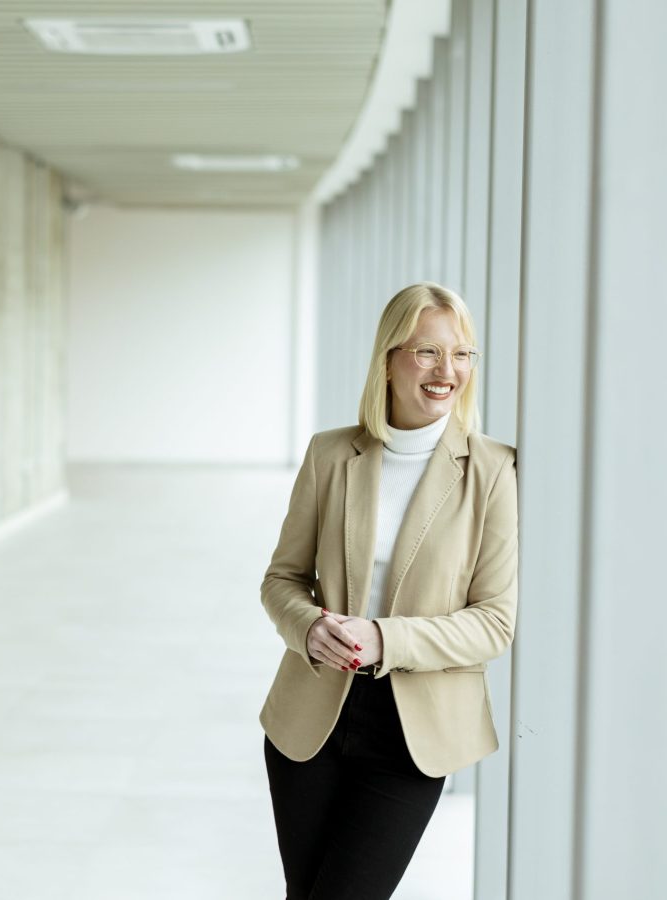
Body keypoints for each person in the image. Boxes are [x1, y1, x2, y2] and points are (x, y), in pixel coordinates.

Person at [259, 282, 519, 900]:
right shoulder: (331, 454)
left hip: (414, 732)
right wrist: (307, 626)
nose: (446, 371)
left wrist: (382, 638)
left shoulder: (493, 471)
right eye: (427, 351)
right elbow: (282, 579)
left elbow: (495, 621)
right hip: (309, 718)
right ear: (389, 358)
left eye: (462, 354)